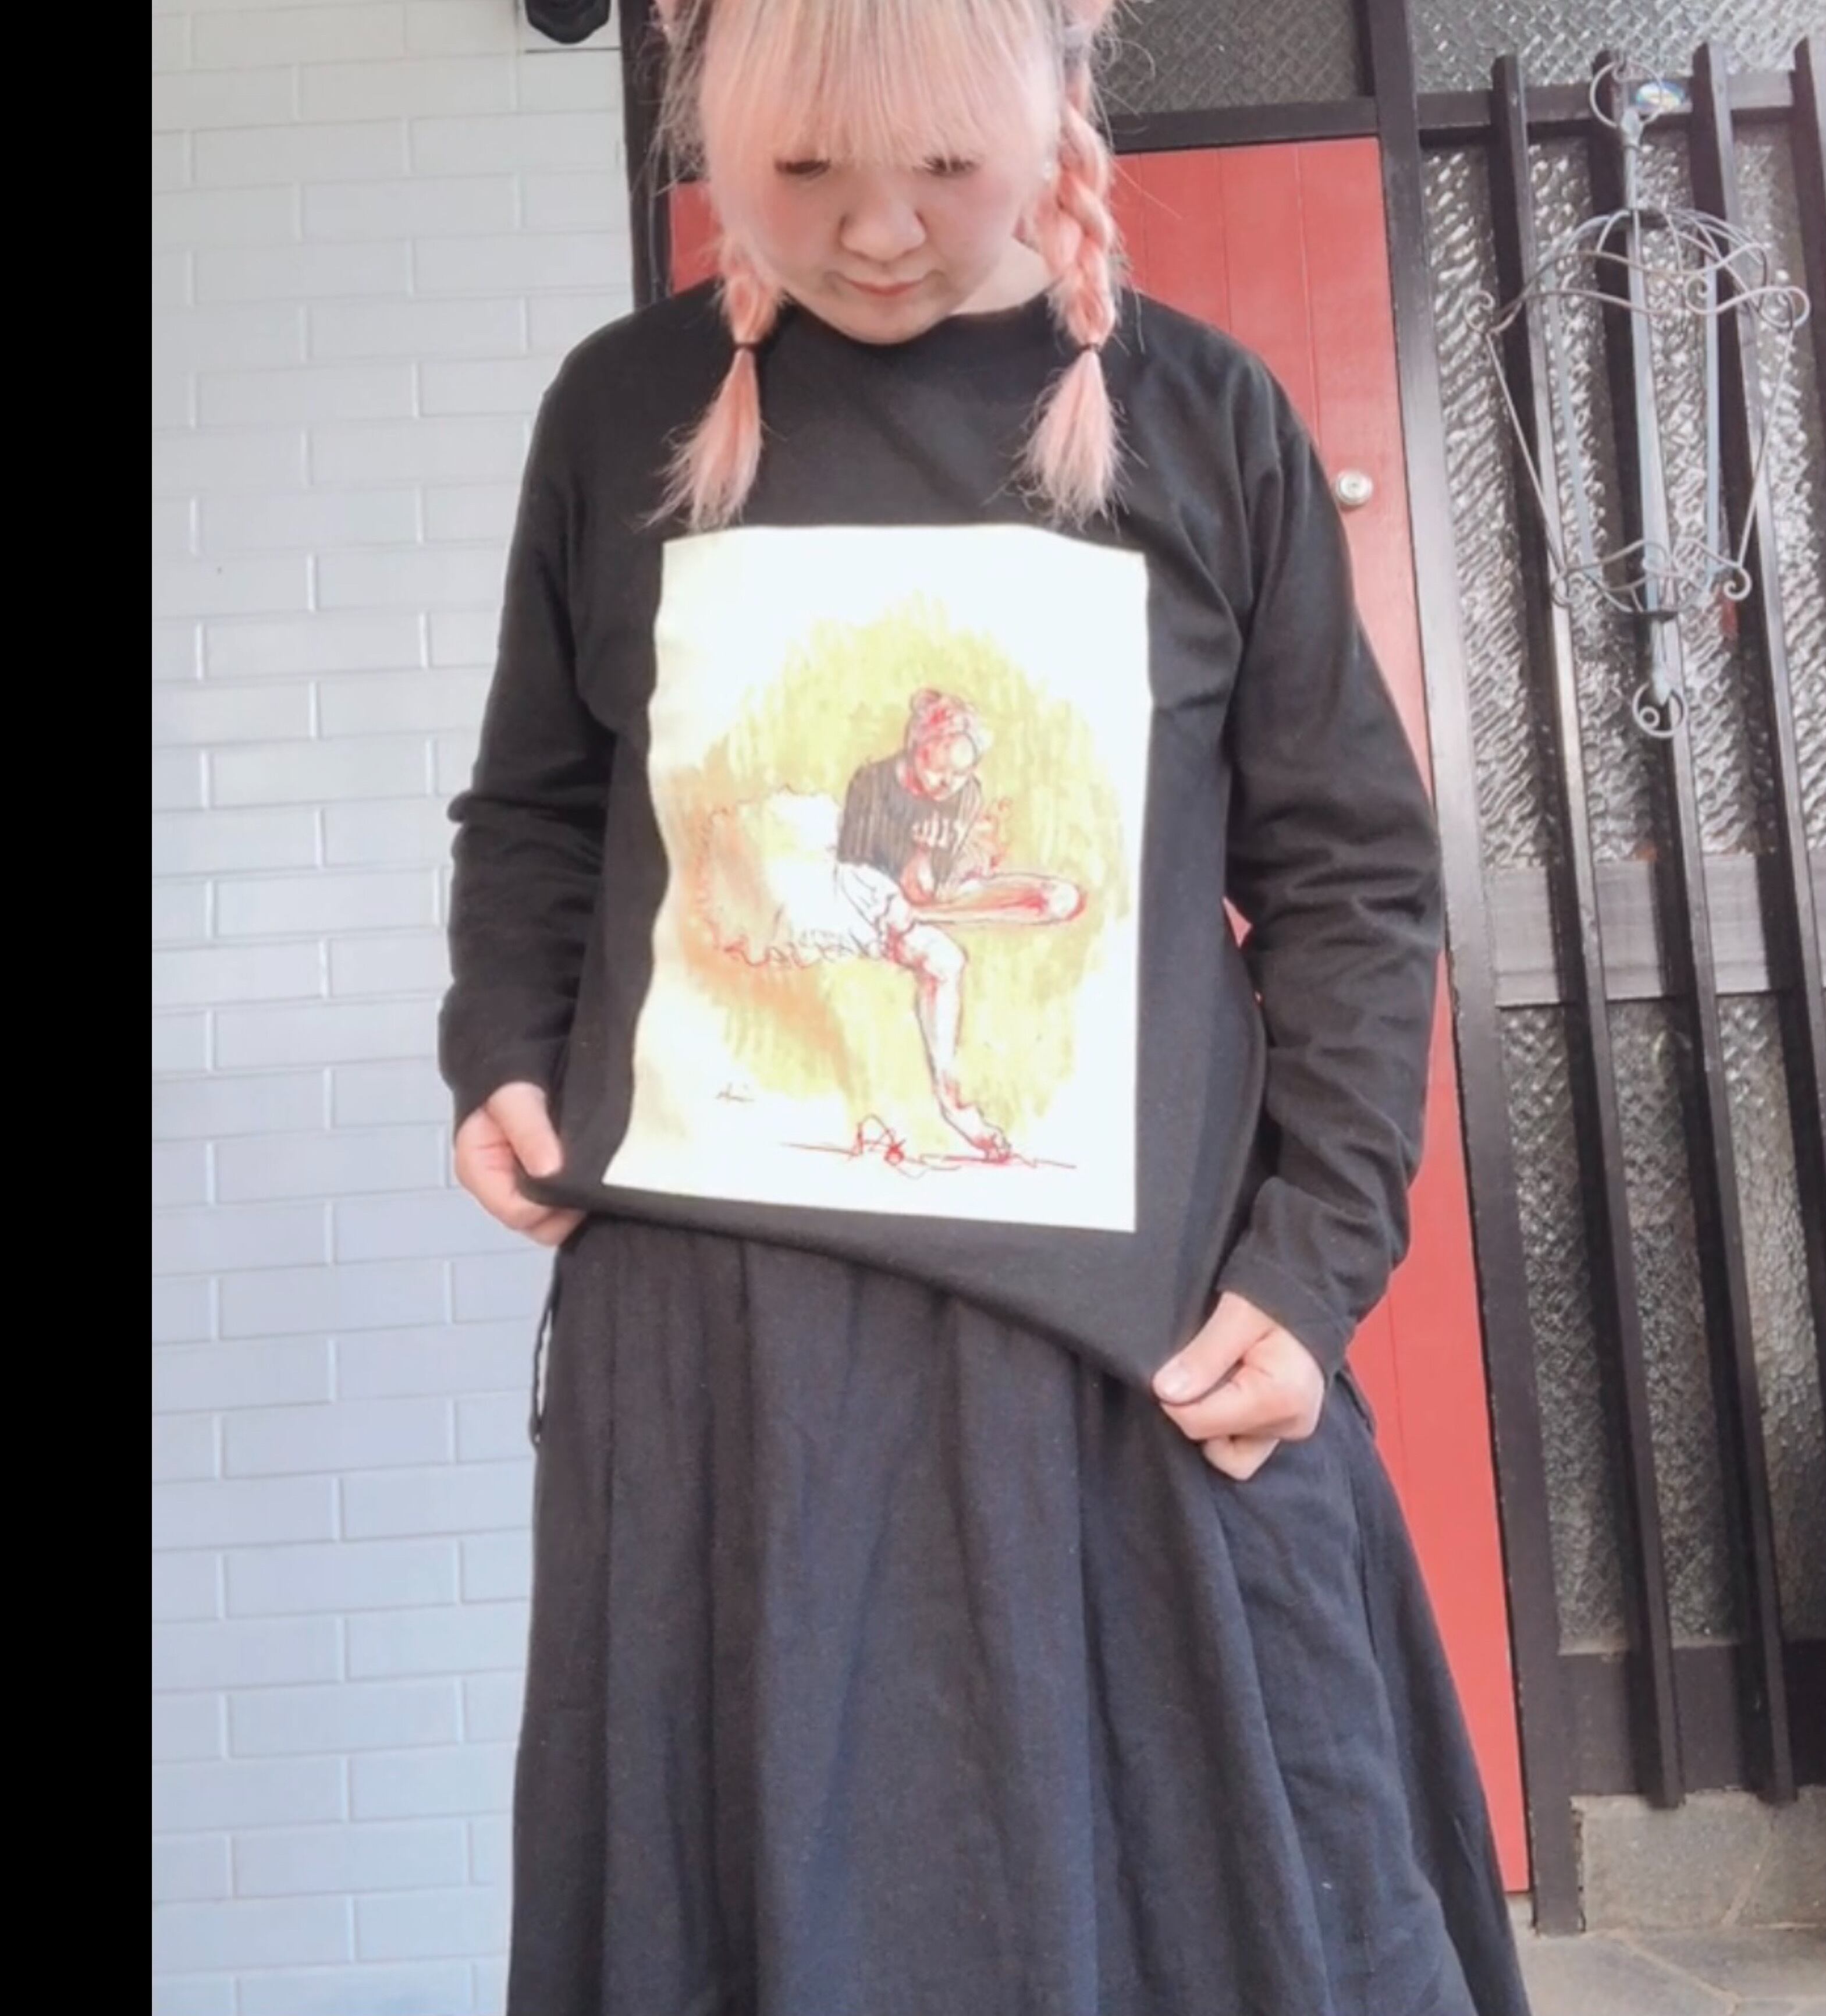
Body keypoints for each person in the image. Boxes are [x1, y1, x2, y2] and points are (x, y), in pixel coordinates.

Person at [440, 3, 1534, 2012]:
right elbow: (539, 811)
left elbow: (1352, 886)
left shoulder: (1204, 422)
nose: (876, 235)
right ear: (714, 129)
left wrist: (1313, 1266)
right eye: (802, 176)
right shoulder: (621, 414)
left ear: (1060, 104)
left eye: (944, 170)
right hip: (724, 1398)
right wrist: (504, 1042)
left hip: (1137, 1378)